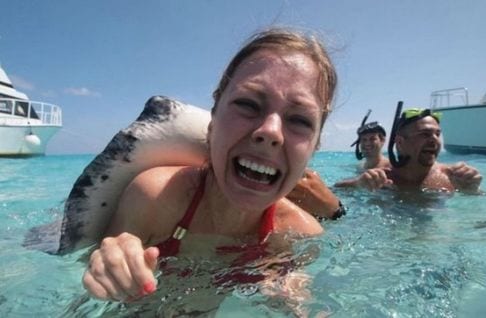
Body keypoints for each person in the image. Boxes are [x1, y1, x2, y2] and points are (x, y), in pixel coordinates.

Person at [82, 28, 337, 303]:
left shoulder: (300, 237)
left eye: (300, 120)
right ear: (213, 121)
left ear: (314, 147)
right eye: (248, 104)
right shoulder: (156, 198)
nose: (271, 131)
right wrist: (111, 265)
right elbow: (98, 289)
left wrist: (295, 305)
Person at [335, 105, 482, 193]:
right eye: (424, 134)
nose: (434, 140)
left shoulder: (451, 176)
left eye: (437, 134)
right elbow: (336, 189)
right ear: (399, 142)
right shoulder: (385, 177)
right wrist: (358, 183)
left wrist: (472, 189)